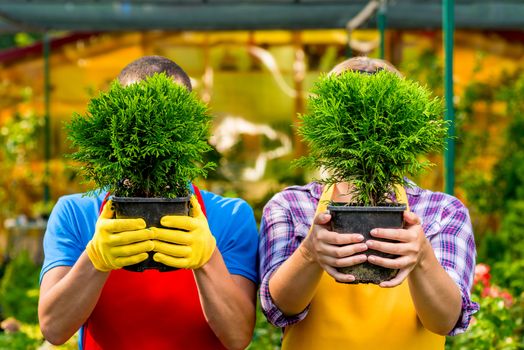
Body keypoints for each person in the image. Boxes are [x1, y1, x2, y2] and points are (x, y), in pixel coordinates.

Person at [38, 56, 258, 350]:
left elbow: (238, 337)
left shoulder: (231, 216)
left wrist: (208, 260)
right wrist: (95, 260)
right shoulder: (76, 213)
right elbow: (53, 328)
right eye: (136, 117)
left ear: (192, 126)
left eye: (170, 117)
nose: (152, 132)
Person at [258, 56, 479, 350]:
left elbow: (445, 321)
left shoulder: (442, 211)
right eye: (349, 115)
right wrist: (310, 253)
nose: (365, 128)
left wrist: (422, 256)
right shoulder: (291, 205)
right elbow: (278, 310)